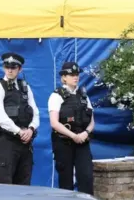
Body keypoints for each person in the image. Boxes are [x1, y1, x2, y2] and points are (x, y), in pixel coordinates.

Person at [0, 52, 40, 185]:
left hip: (25, 144)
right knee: (4, 187)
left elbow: (35, 112)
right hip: (7, 142)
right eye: (7, 67)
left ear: (20, 69)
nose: (10, 70)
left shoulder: (25, 88)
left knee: (24, 186)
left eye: (14, 67)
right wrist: (19, 131)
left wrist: (31, 129)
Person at [48, 61, 95, 195]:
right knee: (66, 182)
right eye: (72, 75)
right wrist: (73, 136)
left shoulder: (84, 96)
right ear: (64, 77)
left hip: (82, 142)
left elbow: (92, 122)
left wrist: (85, 133)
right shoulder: (56, 96)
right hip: (64, 143)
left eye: (77, 74)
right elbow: (54, 122)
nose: (76, 77)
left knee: (86, 177)